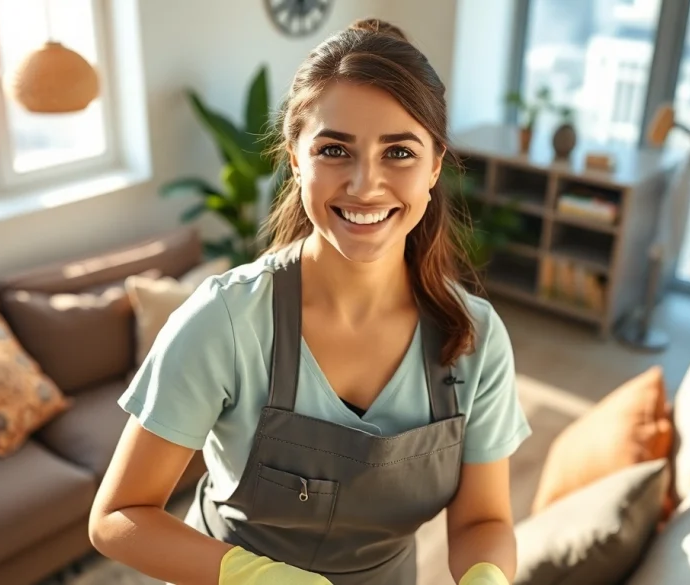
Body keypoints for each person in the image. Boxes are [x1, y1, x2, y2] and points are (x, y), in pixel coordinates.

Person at [89, 17, 532, 585]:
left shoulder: (473, 336)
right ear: (295, 159)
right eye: (334, 150)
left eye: (398, 152)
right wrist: (262, 579)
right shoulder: (225, 321)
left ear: (434, 167)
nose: (364, 185)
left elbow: (483, 519)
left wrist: (486, 580)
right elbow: (118, 516)